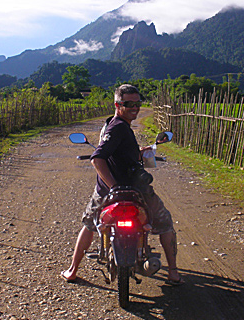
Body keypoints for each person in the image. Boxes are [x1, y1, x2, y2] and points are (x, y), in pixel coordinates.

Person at [61, 84, 183, 286]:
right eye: (129, 104)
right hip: (130, 191)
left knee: (90, 224)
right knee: (165, 223)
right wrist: (114, 187)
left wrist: (138, 152)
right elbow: (97, 158)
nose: (134, 107)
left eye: (137, 103)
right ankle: (173, 272)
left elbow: (116, 154)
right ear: (118, 105)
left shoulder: (121, 126)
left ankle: (73, 270)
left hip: (113, 192)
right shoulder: (117, 127)